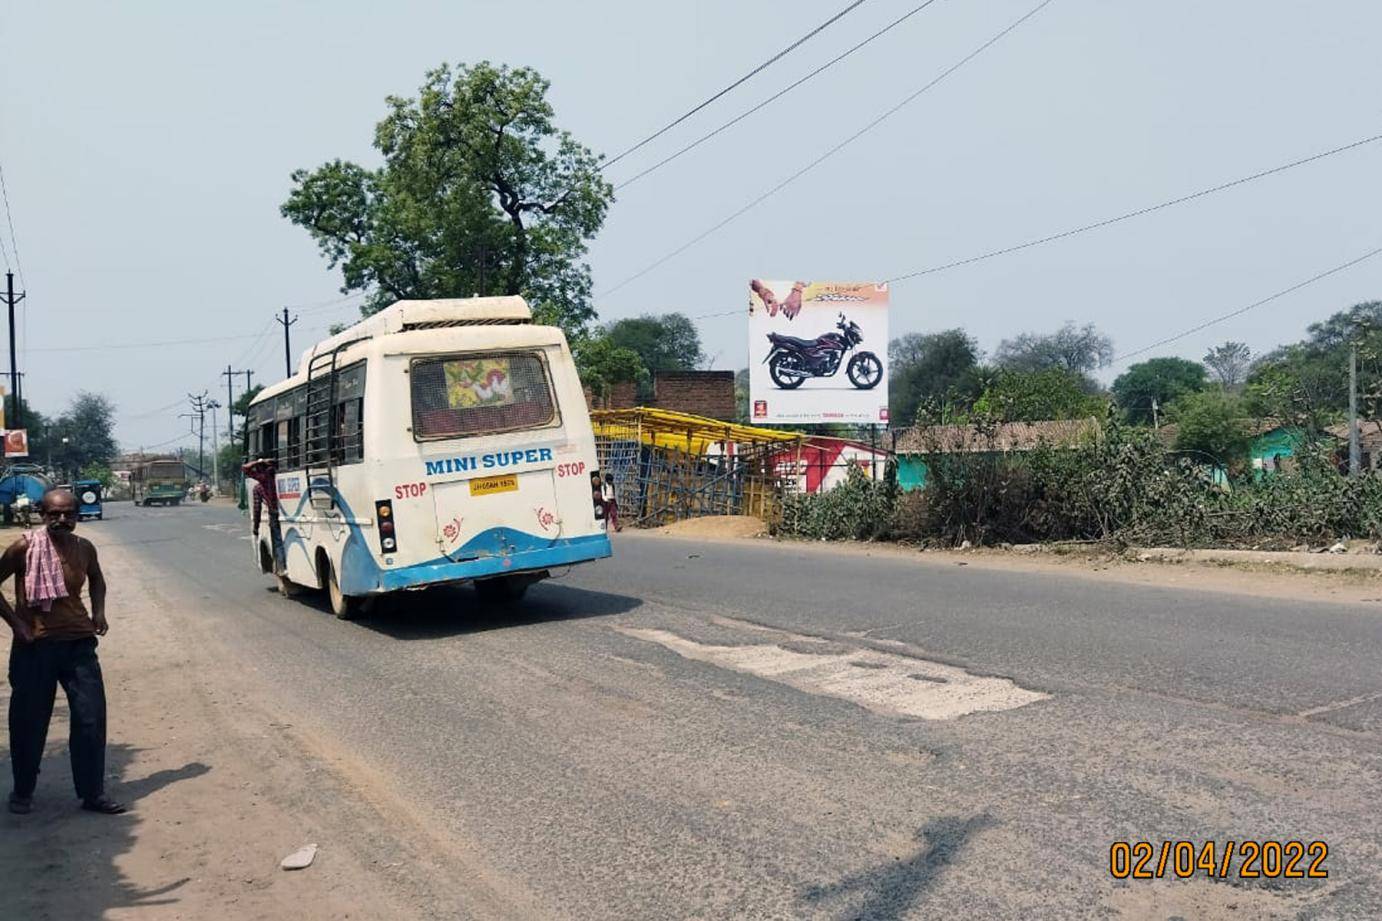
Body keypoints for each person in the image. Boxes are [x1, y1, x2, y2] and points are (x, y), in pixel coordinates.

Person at [0, 489, 124, 815]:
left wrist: (98, 612)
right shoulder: (24, 548)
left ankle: (92, 794)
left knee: (90, 719)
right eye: (54, 514)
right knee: (29, 722)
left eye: (69, 514)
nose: (62, 520)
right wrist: (16, 624)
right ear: (42, 514)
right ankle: (23, 791)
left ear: (77, 516)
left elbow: (97, 580)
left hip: (79, 644)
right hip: (35, 647)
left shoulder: (84, 548)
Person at [242, 458, 284, 573]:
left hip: (274, 513)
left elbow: (257, 509)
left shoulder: (262, 482)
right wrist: (265, 461)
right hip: (285, 512)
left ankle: (282, 567)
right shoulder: (276, 474)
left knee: (278, 542)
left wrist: (256, 527)